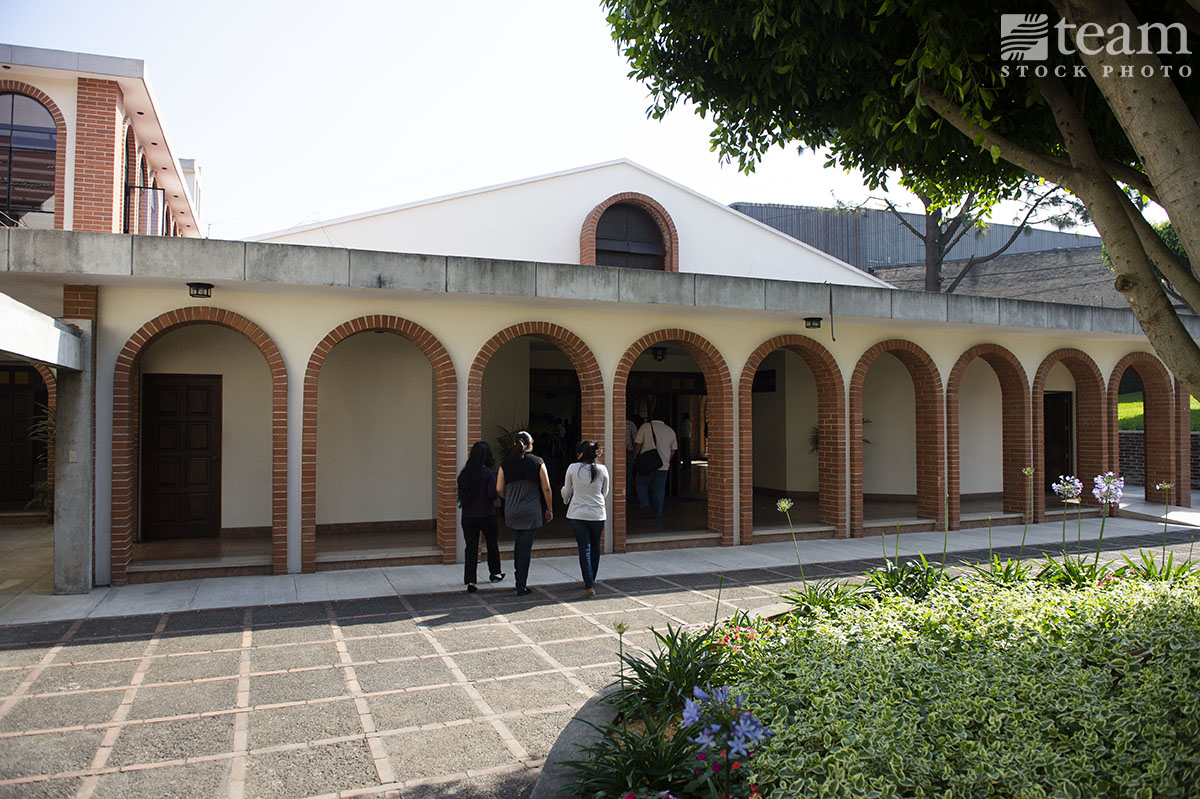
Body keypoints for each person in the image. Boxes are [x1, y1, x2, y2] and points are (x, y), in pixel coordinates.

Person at [497, 431, 553, 596]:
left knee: (517, 544)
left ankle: (517, 576)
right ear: (529, 445)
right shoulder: (538, 462)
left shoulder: (505, 463)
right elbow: (546, 487)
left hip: (512, 510)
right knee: (526, 548)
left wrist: (509, 499)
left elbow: (499, 488)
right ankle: (521, 583)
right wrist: (549, 508)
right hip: (531, 510)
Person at [561, 440, 610, 599]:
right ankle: (592, 579)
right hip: (597, 514)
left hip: (578, 514)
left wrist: (565, 499)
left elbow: (566, 490)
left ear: (581, 454)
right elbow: (605, 492)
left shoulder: (573, 468)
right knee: (595, 547)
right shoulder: (602, 469)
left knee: (584, 549)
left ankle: (589, 583)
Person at [456, 441, 504, 593]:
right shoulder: (488, 473)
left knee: (470, 547)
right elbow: (492, 494)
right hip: (486, 514)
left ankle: (470, 580)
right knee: (491, 543)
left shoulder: (464, 474)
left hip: (468, 516)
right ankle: (495, 572)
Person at [633, 411, 678, 519]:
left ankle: (645, 505)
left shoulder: (645, 427)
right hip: (663, 466)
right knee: (659, 490)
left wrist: (635, 457)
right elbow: (673, 451)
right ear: (664, 418)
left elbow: (638, 444)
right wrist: (666, 459)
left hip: (647, 464)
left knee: (641, 484)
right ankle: (657, 512)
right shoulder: (670, 430)